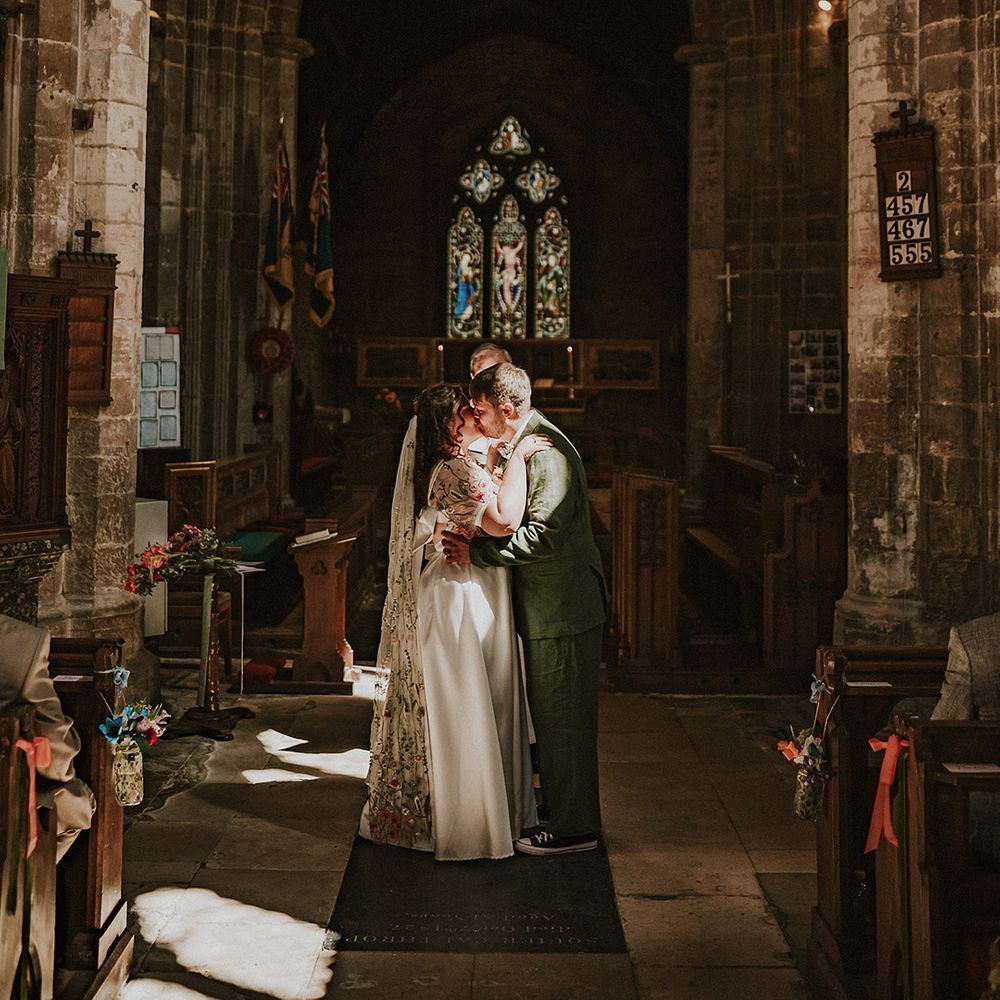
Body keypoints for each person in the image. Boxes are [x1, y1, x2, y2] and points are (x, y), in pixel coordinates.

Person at [360, 383, 551, 860]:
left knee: (489, 698)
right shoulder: (454, 469)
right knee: (468, 704)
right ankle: (470, 822)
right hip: (459, 598)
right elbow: (504, 521)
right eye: (466, 412)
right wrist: (521, 459)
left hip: (474, 584)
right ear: (449, 425)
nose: (474, 417)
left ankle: (494, 811)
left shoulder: (460, 464)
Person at [443, 363, 609, 856]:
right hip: (550, 606)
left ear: (508, 409)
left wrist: (480, 553)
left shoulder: (548, 453)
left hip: (563, 607)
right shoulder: (523, 445)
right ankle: (566, 809)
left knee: (564, 720)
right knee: (554, 717)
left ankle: (575, 829)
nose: (477, 416)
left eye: (483, 410)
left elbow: (546, 533)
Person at [0, 614, 95, 862]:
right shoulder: (17, 644)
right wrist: (66, 777)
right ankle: (29, 897)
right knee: (77, 805)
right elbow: (55, 749)